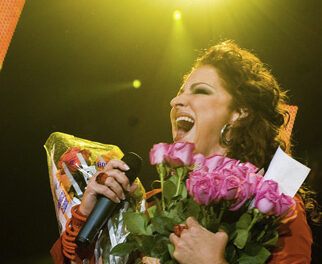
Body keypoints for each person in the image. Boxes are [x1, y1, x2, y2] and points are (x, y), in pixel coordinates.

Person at [51, 41, 313, 263]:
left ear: (239, 113)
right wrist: (87, 215)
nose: (175, 101)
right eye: (179, 92)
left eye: (200, 91)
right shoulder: (150, 207)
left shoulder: (274, 208)